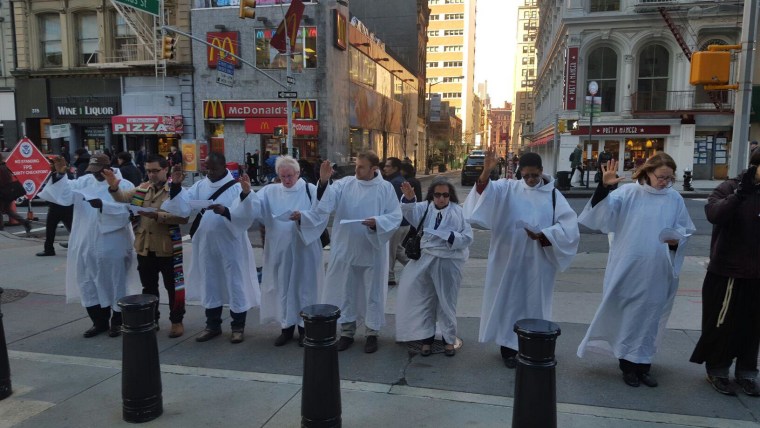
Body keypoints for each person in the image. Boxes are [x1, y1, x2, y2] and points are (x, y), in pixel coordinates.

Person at [577, 153, 695, 388]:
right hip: (629, 267)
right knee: (629, 316)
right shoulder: (628, 193)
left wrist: (677, 241)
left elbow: (684, 228)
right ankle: (627, 366)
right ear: (648, 173)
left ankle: (644, 364)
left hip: (659, 269)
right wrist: (604, 188)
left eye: (669, 178)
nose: (665, 182)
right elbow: (602, 216)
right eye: (661, 177)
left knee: (651, 318)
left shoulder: (674, 198)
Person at [464, 148, 580, 368]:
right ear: (519, 172)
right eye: (525, 175)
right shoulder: (508, 188)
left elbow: (569, 227)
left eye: (534, 175)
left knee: (534, 303)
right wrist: (486, 173)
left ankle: (532, 345)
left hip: (539, 261)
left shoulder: (554, 195)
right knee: (509, 302)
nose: (529, 180)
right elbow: (483, 195)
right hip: (509, 259)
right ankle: (508, 349)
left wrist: (545, 235)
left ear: (542, 172)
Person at [300, 151, 402, 353]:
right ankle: (347, 332)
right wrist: (323, 180)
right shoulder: (345, 184)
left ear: (374, 169)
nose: (357, 170)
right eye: (356, 165)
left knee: (372, 292)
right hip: (347, 247)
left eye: (362, 167)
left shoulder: (385, 188)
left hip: (372, 250)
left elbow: (395, 215)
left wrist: (377, 223)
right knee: (347, 291)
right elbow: (326, 205)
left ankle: (372, 333)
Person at [161, 152, 260, 344]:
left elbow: (249, 213)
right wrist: (176, 185)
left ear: (224, 167)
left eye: (214, 168)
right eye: (207, 168)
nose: (210, 172)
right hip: (206, 244)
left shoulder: (237, 187)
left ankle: (238, 327)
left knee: (235, 283)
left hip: (231, 244)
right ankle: (212, 325)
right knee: (210, 282)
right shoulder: (200, 185)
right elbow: (182, 207)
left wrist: (228, 209)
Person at [38, 154, 136, 338]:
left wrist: (103, 206)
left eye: (100, 171)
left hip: (113, 241)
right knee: (89, 281)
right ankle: (98, 321)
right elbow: (63, 196)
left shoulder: (124, 184)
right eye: (94, 171)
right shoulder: (83, 181)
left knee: (116, 281)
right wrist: (60, 175)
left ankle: (117, 320)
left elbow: (127, 212)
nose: (97, 175)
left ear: (109, 167)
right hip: (86, 240)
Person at [689, 148, 760, 397]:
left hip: (757, 274)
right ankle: (718, 370)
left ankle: (747, 372)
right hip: (728, 271)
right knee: (722, 325)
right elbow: (714, 214)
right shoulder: (730, 188)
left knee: (753, 327)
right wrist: (740, 195)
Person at [104, 155, 190, 338]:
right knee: (149, 288)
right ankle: (153, 319)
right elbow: (122, 197)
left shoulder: (175, 191)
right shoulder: (143, 189)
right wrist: (113, 186)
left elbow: (183, 217)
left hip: (167, 247)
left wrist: (157, 216)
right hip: (145, 247)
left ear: (165, 170)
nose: (151, 175)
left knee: (174, 288)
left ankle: (177, 321)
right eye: (148, 171)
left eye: (155, 171)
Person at [396, 178, 473, 357]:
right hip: (425, 260)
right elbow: (409, 212)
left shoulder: (458, 212)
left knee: (447, 302)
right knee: (425, 300)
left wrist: (451, 237)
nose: (441, 199)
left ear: (450, 196)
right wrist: (408, 199)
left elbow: (467, 237)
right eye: (437, 195)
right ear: (432, 195)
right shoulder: (424, 208)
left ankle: (448, 339)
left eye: (445, 195)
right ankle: (426, 339)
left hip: (449, 261)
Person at [256, 156, 327, 346]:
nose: (287, 180)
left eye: (290, 176)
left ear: (298, 173)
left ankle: (305, 329)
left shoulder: (309, 190)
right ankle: (286, 328)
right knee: (284, 287)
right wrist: (246, 193)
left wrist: (302, 217)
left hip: (304, 248)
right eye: (283, 176)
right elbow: (254, 208)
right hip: (279, 249)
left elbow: (322, 212)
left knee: (304, 288)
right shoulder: (270, 191)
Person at [36, 158, 73, 256]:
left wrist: (60, 173)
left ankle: (50, 249)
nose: (50, 165)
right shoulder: (56, 174)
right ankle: (49, 249)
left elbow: (60, 183)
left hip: (63, 207)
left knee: (71, 228)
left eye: (53, 164)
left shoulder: (64, 175)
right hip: (60, 206)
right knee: (51, 229)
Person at [382, 157, 408, 286]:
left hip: (397, 223)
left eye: (387, 166)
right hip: (403, 222)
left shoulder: (395, 183)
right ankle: (416, 267)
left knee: (390, 251)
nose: (385, 168)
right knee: (397, 249)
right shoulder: (398, 181)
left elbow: (393, 204)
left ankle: (389, 276)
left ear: (395, 168)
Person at [0, 152, 32, 234]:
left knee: (4, 210)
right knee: (8, 210)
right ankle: (25, 222)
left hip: (3, 193)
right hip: (8, 192)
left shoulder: (1, 168)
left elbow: (3, 182)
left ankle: (1, 230)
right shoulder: (4, 166)